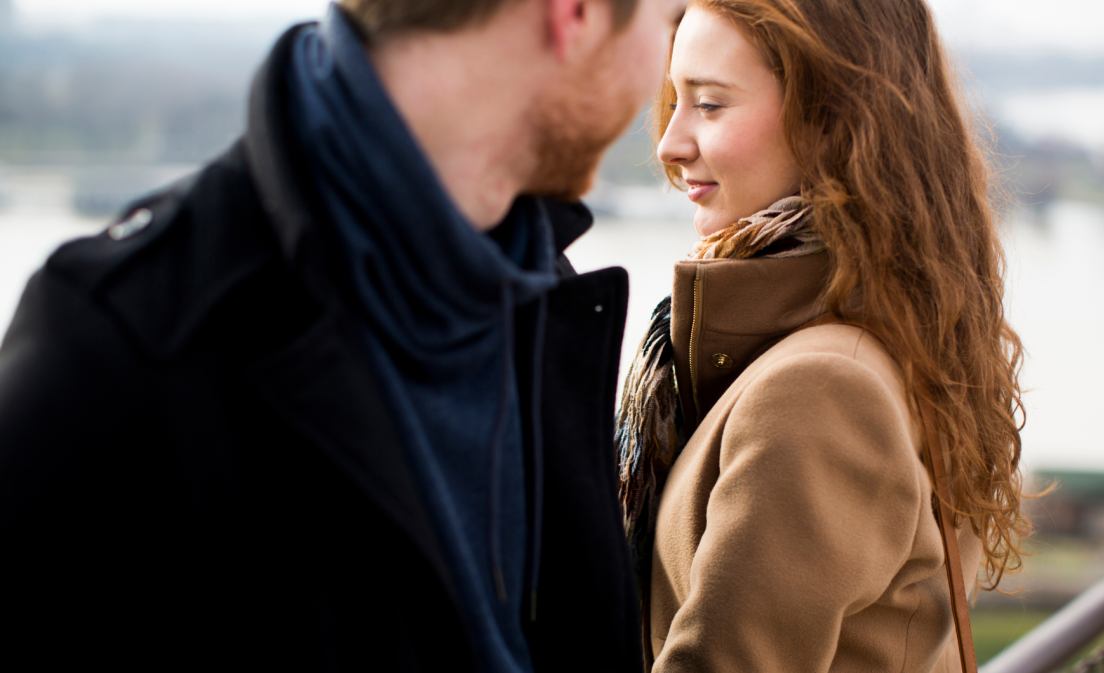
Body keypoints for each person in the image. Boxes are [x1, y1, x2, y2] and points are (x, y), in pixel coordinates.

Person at [0, 0, 685, 669]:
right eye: (667, 20)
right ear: (575, 15)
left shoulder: (541, 285)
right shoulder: (114, 349)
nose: (661, 75)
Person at [616, 0, 1028, 671]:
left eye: (710, 104)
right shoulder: (883, 323)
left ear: (829, 116)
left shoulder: (820, 389)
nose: (669, 142)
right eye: (675, 98)